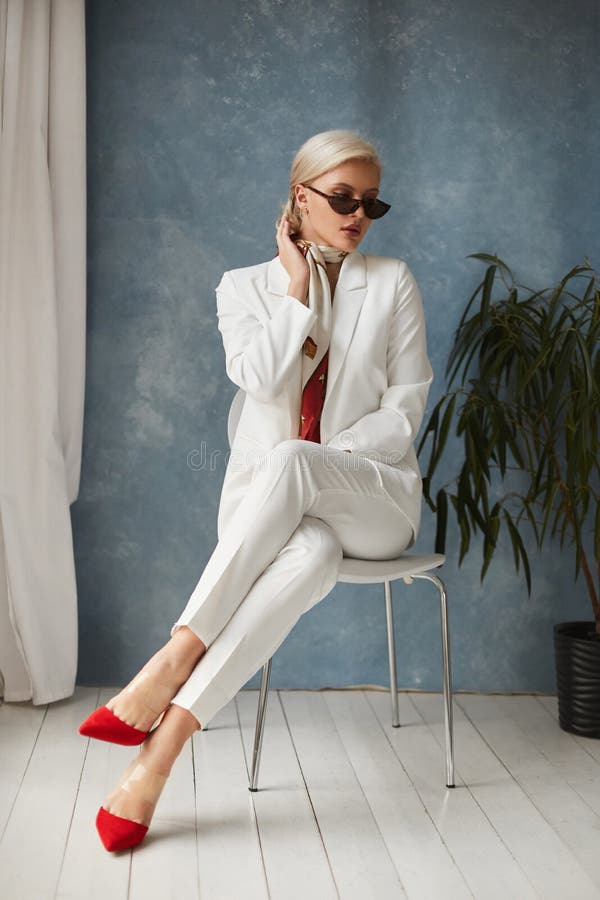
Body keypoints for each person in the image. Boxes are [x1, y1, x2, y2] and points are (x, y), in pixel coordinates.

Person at [78, 129, 434, 852]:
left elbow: (406, 412)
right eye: (341, 197)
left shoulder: (392, 281)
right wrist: (298, 293)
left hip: (375, 499)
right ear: (297, 199)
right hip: (276, 514)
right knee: (309, 555)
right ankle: (158, 756)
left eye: (371, 202)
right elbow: (262, 381)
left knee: (297, 466)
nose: (357, 214)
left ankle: (174, 656)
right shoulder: (242, 288)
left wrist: (319, 460)